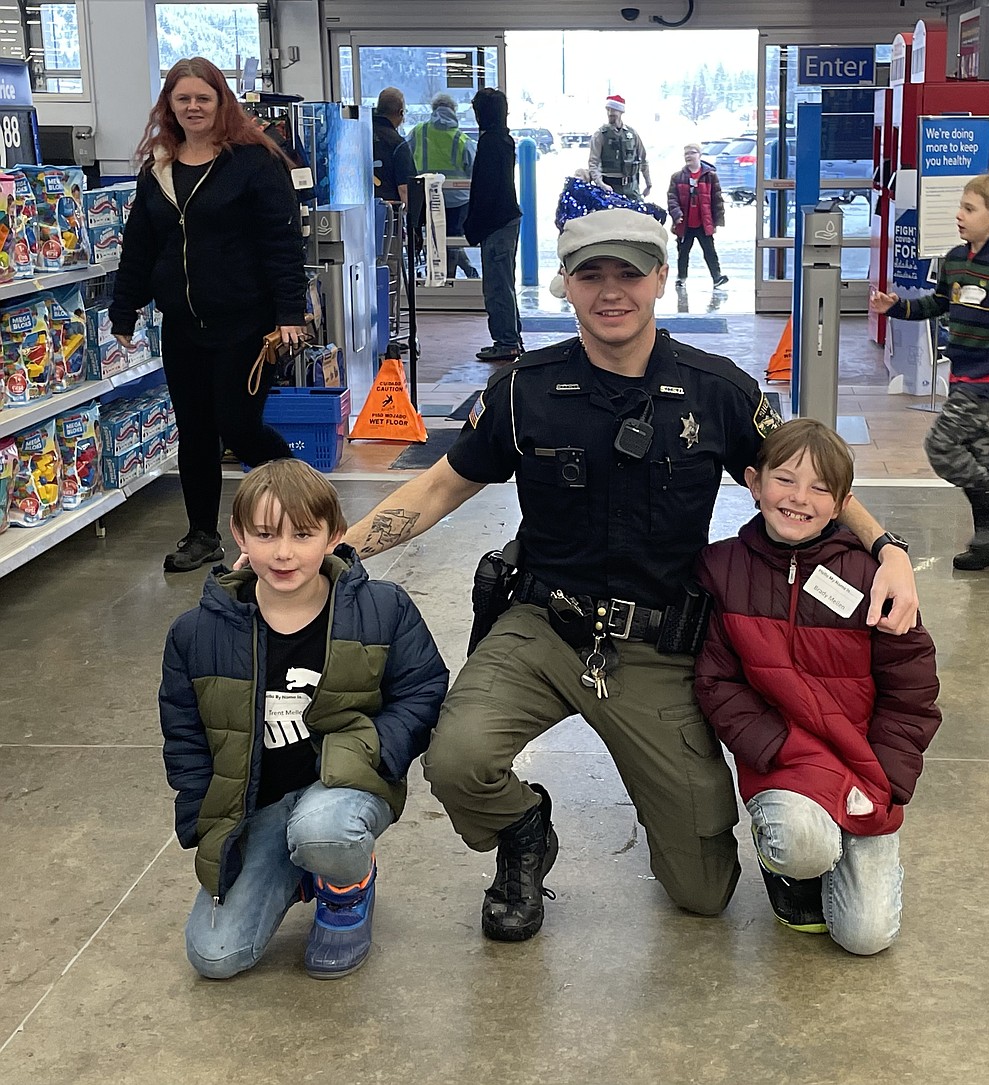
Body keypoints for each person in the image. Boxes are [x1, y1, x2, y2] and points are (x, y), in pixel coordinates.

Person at [341, 179, 920, 944]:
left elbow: (803, 479)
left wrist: (888, 549)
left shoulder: (717, 392)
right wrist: (339, 550)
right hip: (541, 626)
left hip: (660, 646)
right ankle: (522, 832)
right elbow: (446, 482)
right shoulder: (524, 390)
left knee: (704, 893)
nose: (611, 291)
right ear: (566, 284)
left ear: (660, 276)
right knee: (456, 759)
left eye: (629, 272)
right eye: (591, 274)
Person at [160, 458, 448, 980]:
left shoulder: (382, 608)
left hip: (345, 788)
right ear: (239, 534)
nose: (285, 552)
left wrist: (373, 752)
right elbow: (185, 736)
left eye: (303, 534)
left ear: (335, 536)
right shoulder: (195, 633)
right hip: (259, 805)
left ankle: (345, 890)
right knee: (214, 954)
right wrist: (203, 821)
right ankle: (298, 869)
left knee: (323, 829)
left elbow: (423, 691)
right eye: (266, 534)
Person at [695, 419, 941, 955]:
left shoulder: (873, 579)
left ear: (842, 503)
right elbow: (717, 682)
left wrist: (889, 778)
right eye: (785, 480)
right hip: (785, 759)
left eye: (821, 488)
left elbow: (912, 693)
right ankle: (795, 869)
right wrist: (774, 747)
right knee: (803, 845)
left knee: (866, 938)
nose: (800, 498)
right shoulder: (722, 569)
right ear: (753, 483)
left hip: (864, 767)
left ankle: (853, 848)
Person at [110, 57, 307, 573]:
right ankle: (202, 535)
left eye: (203, 98)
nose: (193, 107)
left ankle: (303, 502)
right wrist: (124, 310)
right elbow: (140, 245)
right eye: (183, 99)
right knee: (194, 430)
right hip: (182, 325)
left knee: (238, 426)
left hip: (247, 324)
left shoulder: (253, 161)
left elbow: (281, 242)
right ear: (169, 106)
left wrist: (291, 312)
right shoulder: (158, 166)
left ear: (221, 101)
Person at [870, 170, 989, 571]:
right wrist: (896, 306)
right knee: (980, 457)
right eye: (961, 207)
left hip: (986, 379)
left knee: (941, 446)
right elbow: (936, 305)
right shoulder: (953, 259)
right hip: (961, 375)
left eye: (969, 208)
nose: (959, 214)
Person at [463, 87, 523, 363]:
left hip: (496, 223)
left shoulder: (490, 143)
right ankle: (511, 337)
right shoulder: (504, 140)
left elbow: (486, 191)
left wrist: (473, 226)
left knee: (497, 285)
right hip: (507, 220)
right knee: (504, 282)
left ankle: (506, 341)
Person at [409, 92, 478, 279]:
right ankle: (450, 278)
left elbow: (405, 158)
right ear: (453, 111)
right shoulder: (461, 139)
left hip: (427, 198)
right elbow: (474, 169)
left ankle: (441, 279)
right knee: (452, 239)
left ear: (433, 110)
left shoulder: (418, 132)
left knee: (434, 238)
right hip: (457, 200)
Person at [667, 143, 729, 288]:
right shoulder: (677, 177)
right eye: (686, 154)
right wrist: (677, 214)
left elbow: (717, 199)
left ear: (699, 155)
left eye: (692, 153)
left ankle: (717, 277)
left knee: (709, 251)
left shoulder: (710, 176)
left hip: (703, 223)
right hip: (685, 223)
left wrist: (717, 219)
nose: (688, 156)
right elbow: (672, 198)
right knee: (683, 252)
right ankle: (681, 277)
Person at [588, 94, 651, 200]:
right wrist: (601, 184)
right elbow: (593, 163)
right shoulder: (600, 134)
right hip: (610, 188)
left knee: (638, 214)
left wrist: (648, 183)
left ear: (621, 112)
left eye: (613, 110)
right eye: (608, 110)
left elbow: (643, 159)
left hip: (632, 188)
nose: (610, 113)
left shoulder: (632, 134)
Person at [372, 86, 416, 205]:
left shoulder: (361, 133)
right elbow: (404, 189)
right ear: (401, 113)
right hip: (389, 215)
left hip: (359, 212)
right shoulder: (398, 144)